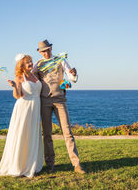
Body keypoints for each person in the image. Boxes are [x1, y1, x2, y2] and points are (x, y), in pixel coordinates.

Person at [33, 39, 86, 174]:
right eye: (43, 51)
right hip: (44, 100)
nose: (46, 52)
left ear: (51, 48)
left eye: (48, 49)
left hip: (60, 99)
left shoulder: (60, 60)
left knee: (67, 132)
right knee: (47, 134)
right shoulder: (37, 65)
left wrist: (73, 74)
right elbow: (32, 80)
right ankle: (50, 164)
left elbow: (71, 76)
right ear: (40, 52)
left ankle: (76, 164)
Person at [0, 54, 43, 178]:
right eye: (28, 62)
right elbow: (17, 96)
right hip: (24, 108)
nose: (31, 64)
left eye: (31, 61)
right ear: (22, 65)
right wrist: (15, 87)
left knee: (32, 134)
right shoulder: (19, 77)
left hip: (35, 107)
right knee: (22, 134)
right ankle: (19, 166)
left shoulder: (35, 75)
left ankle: (32, 164)